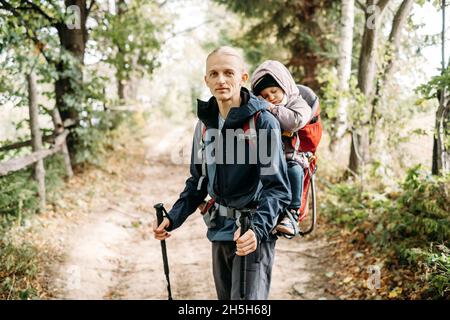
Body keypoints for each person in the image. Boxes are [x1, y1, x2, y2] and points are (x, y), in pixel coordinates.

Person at [153, 47, 291, 300]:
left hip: (252, 230)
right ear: (206, 80)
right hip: (220, 229)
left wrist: (257, 230)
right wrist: (172, 218)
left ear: (243, 78)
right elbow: (198, 182)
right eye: (214, 74)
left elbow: (278, 189)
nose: (221, 80)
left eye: (229, 73)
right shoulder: (205, 125)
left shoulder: (262, 122)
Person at [251, 60, 317, 237]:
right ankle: (266, 213)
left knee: (293, 170)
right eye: (264, 95)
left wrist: (272, 109)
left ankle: (292, 215)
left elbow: (295, 121)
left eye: (274, 91)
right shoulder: (262, 107)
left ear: (284, 87)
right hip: (269, 155)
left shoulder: (298, 103)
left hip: (292, 155)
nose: (270, 97)